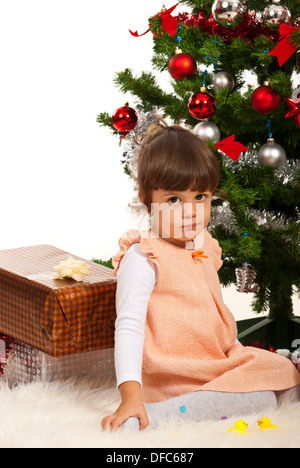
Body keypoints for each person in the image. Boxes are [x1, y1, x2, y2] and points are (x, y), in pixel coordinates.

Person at [102, 121, 300, 432]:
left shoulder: (203, 245)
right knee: (263, 400)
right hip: (174, 372)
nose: (191, 212)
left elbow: (209, 312)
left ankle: (243, 381)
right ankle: (157, 413)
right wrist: (130, 395)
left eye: (200, 197)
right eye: (173, 200)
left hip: (213, 361)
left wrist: (232, 352)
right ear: (146, 198)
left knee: (284, 373)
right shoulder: (143, 257)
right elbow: (128, 327)